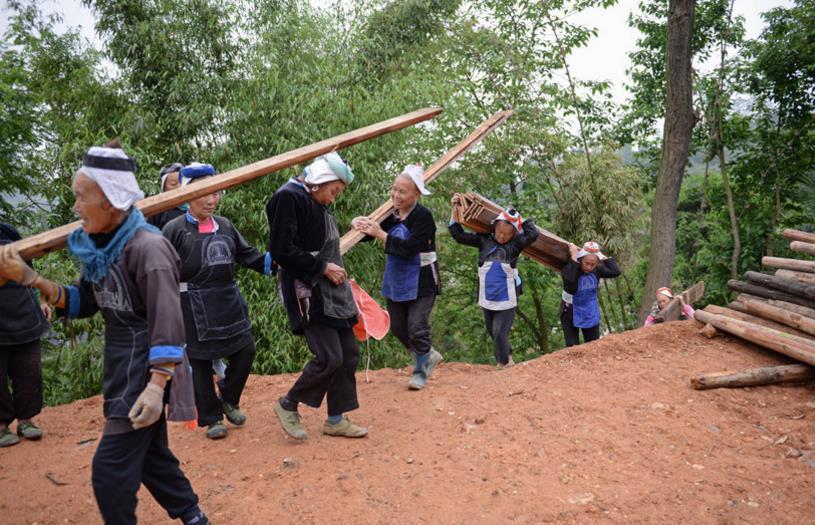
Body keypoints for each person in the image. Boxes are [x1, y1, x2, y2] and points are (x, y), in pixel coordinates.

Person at [0, 140, 208, 525]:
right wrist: (30, 278)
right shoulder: (101, 249)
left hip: (143, 370)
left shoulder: (149, 249)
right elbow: (84, 303)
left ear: (110, 201)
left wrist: (156, 384)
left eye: (82, 198)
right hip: (119, 365)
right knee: (150, 458)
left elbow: (168, 319)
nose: (75, 208)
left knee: (110, 473)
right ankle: (194, 517)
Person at [162, 162, 271, 440]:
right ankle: (211, 419)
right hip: (192, 302)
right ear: (187, 195)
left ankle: (228, 399)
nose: (212, 200)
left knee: (245, 350)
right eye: (205, 194)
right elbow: (160, 270)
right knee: (200, 362)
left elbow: (248, 255)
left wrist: (279, 262)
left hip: (227, 299)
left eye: (216, 193)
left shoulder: (225, 225)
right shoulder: (174, 229)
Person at [267, 153, 367, 440]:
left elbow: (317, 239)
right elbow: (281, 250)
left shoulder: (312, 200)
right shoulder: (288, 197)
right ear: (320, 181)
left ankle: (335, 419)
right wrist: (321, 267)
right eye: (333, 191)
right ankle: (288, 404)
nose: (333, 199)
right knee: (329, 356)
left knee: (348, 353)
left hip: (333, 291)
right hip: (308, 290)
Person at [352, 164, 442, 390]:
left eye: (402, 192)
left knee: (417, 326)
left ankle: (420, 371)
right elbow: (369, 235)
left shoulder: (423, 217)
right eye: (394, 190)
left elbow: (411, 248)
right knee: (398, 326)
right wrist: (358, 225)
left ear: (416, 194)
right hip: (396, 278)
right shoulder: (390, 214)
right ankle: (427, 354)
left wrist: (380, 234)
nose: (396, 195)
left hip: (423, 279)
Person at [448, 202, 539, 369]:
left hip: (507, 297)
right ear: (494, 228)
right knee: (493, 332)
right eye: (500, 232)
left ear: (513, 234)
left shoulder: (515, 246)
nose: (502, 237)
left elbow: (533, 234)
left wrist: (519, 219)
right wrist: (455, 213)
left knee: (499, 332)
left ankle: (503, 363)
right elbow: (458, 236)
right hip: (487, 296)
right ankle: (508, 356)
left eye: (507, 234)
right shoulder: (483, 241)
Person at [0, 223, 50, 447]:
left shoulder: (7, 232)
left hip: (23, 310)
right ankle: (1, 426)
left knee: (29, 371)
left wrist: (41, 299)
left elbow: (29, 269)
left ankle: (26, 420)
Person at [559, 241, 621, 347]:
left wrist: (601, 256)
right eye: (586, 263)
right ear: (580, 259)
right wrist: (574, 256)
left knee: (593, 345)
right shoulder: (569, 268)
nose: (589, 267)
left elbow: (616, 271)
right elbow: (570, 280)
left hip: (589, 311)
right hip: (570, 311)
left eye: (593, 264)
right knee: (572, 346)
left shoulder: (597, 270)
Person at [147, 162, 186, 229]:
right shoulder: (157, 211)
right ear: (164, 188)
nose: (179, 187)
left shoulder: (193, 207)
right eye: (173, 184)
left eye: (182, 183)